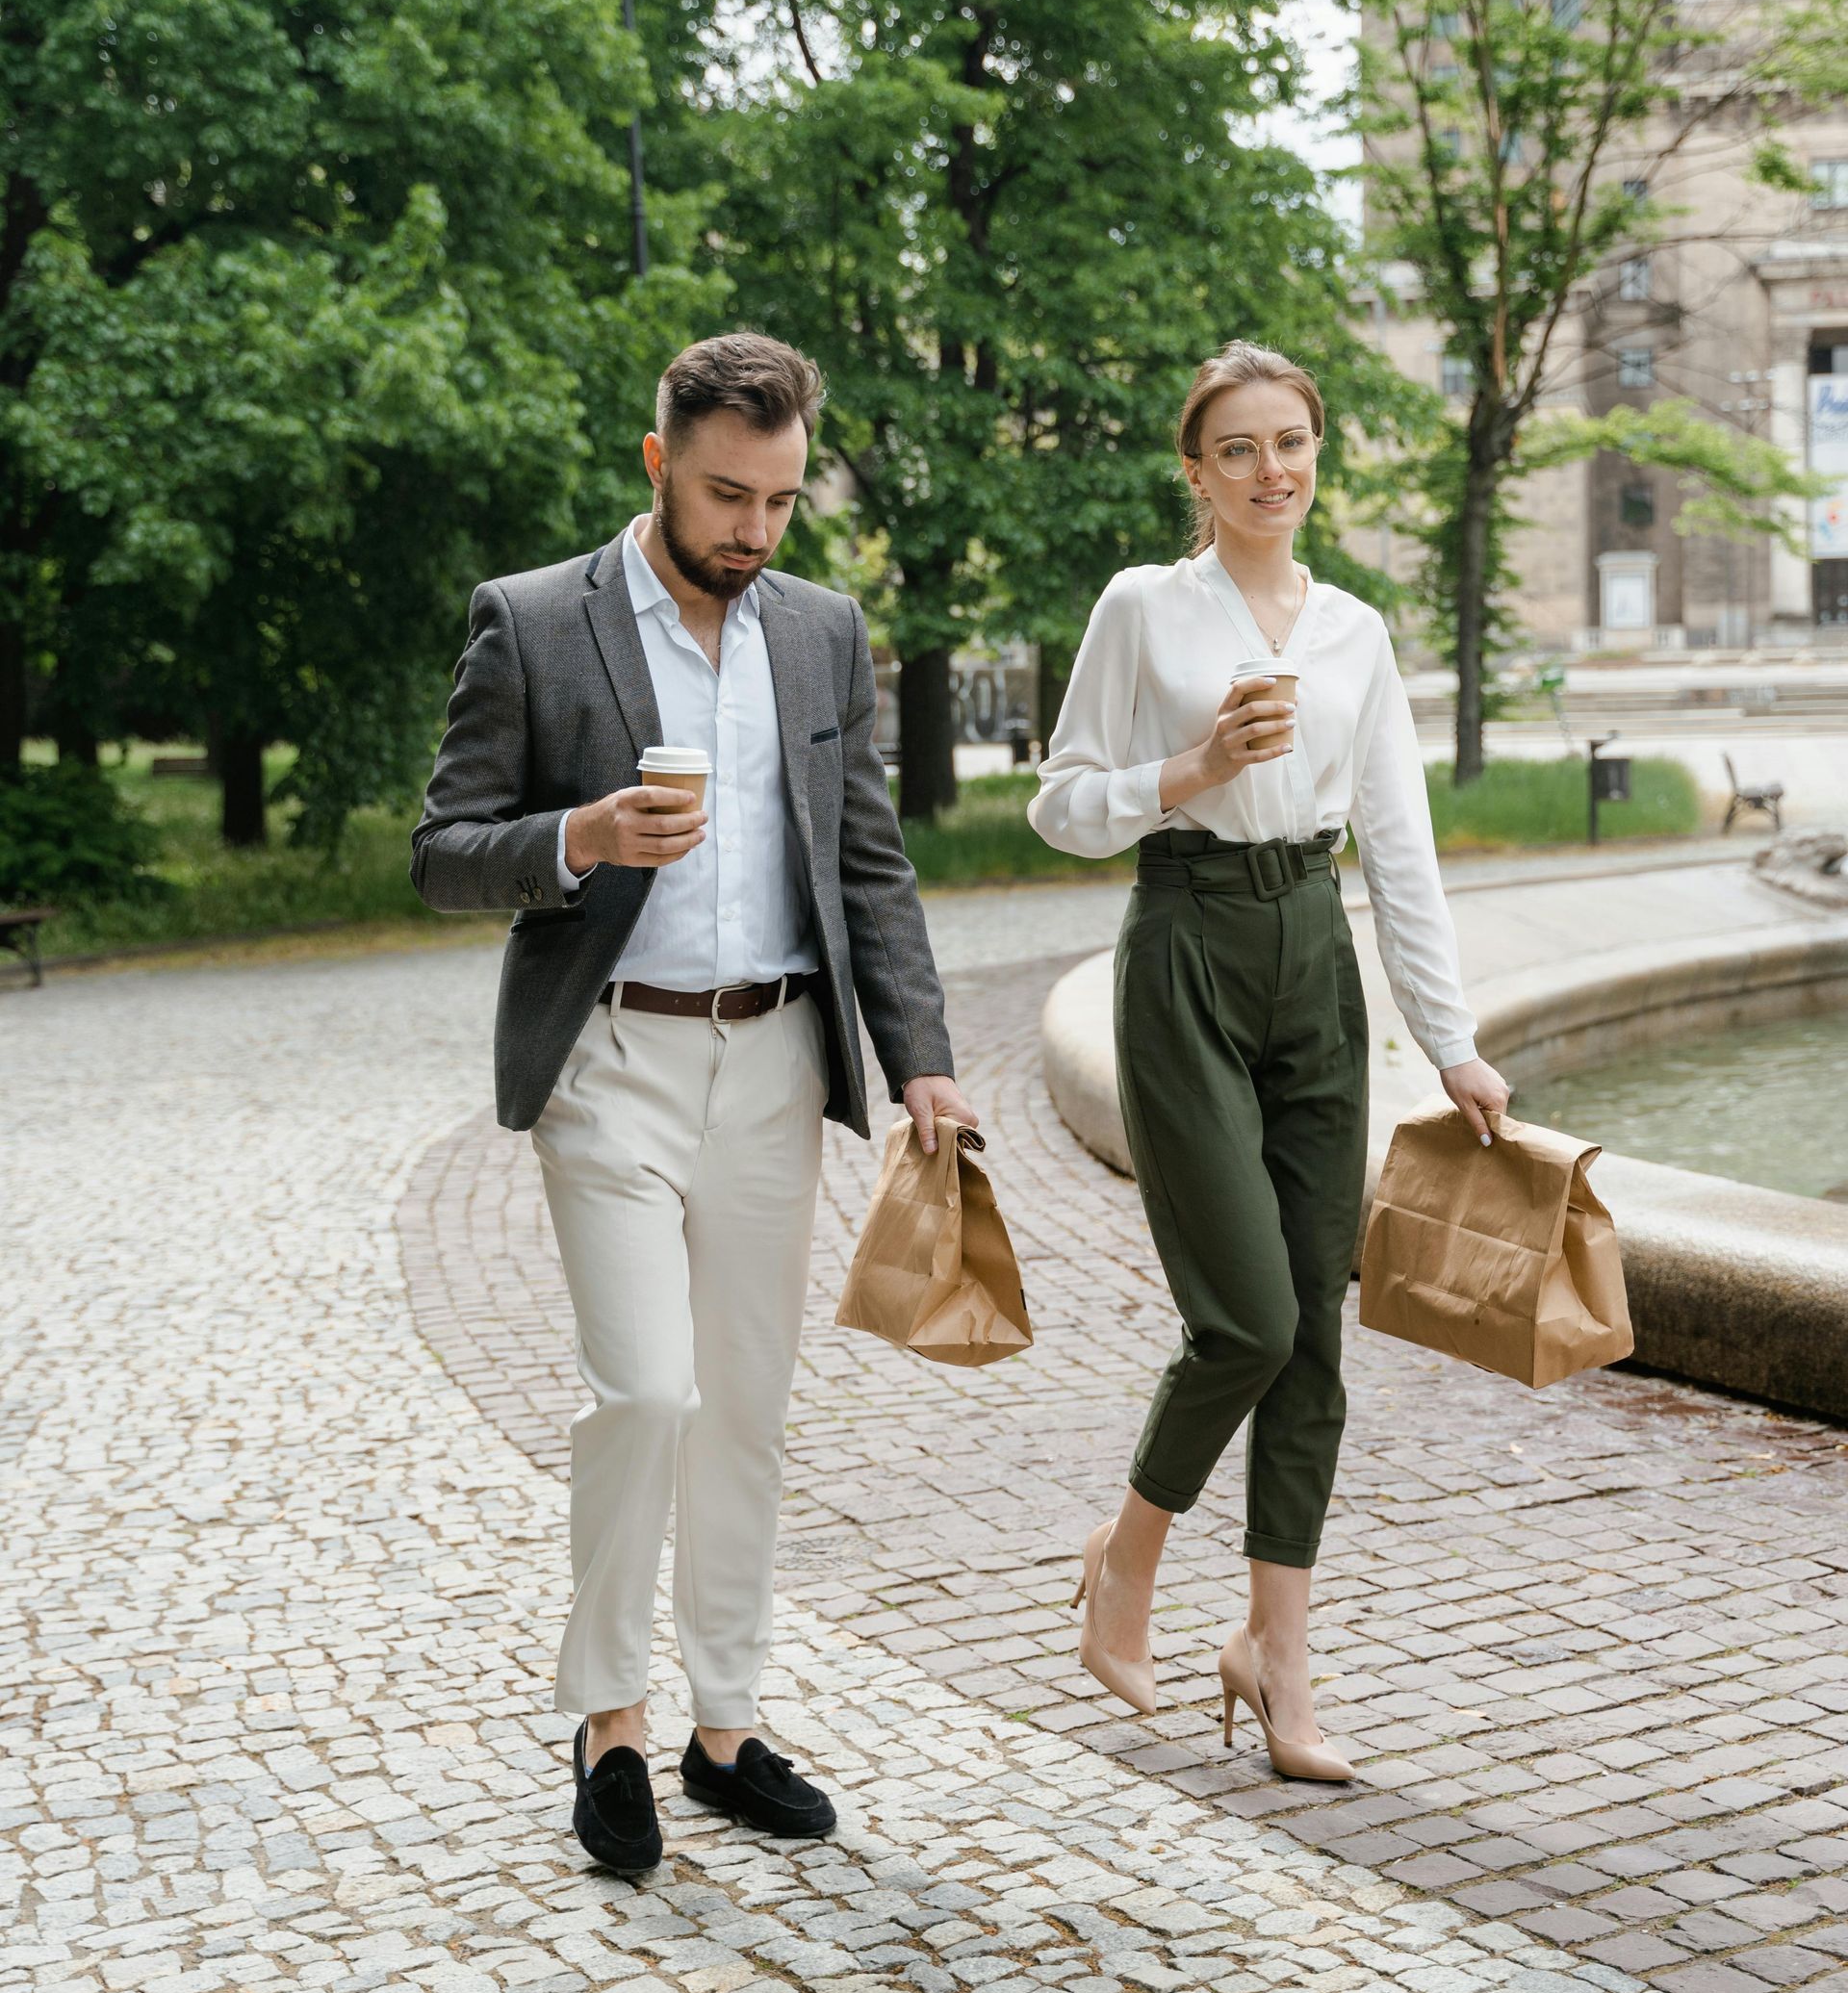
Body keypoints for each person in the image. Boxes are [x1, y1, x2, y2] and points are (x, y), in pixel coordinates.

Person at [414, 331, 978, 1874]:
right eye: (730, 496)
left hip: (778, 1059)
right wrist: (582, 835)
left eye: (785, 501)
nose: (756, 531)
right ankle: (608, 1725)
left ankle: (724, 1730)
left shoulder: (817, 632)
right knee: (644, 1394)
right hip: (610, 1059)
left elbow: (869, 859)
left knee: (745, 1407)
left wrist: (919, 1052)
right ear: (658, 463)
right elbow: (442, 850)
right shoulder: (532, 623)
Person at [1029, 341, 1507, 1781]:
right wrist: (1190, 773)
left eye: (1289, 442)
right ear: (1196, 471)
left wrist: (1456, 1046)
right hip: (1184, 944)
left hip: (1317, 956)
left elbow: (1402, 858)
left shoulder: (1356, 633)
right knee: (1243, 1318)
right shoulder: (1143, 611)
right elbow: (1058, 808)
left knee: (1316, 1330)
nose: (1269, 471)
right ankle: (1130, 1553)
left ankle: (1276, 1661)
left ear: (1318, 453)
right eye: (1236, 449)